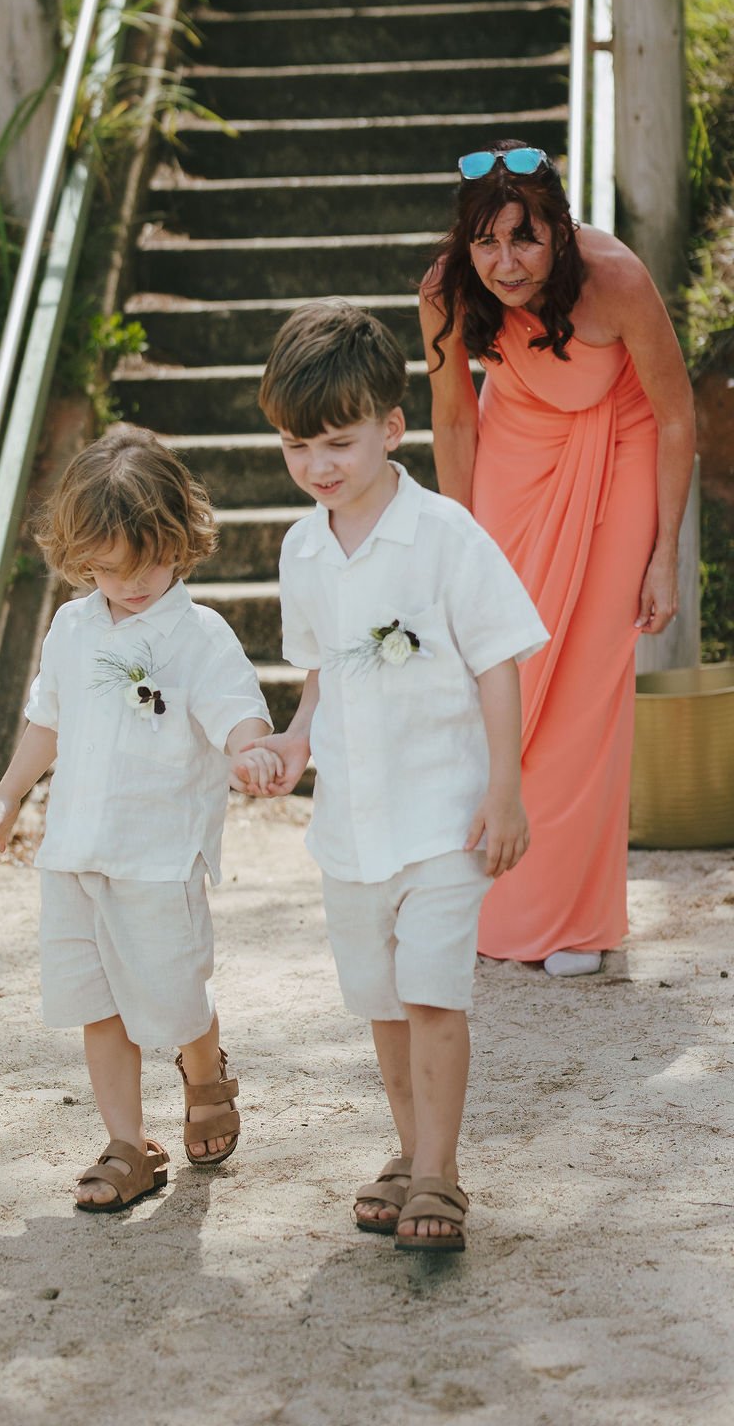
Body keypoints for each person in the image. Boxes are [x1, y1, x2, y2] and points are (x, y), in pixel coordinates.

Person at [239, 301, 548, 1251]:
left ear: (390, 428)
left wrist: (506, 789)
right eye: (297, 447)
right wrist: (295, 741)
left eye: (337, 442)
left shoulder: (446, 535)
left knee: (431, 997)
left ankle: (439, 1175)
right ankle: (413, 1151)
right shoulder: (301, 546)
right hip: (351, 828)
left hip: (443, 819)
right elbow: (322, 671)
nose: (318, 467)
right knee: (379, 1004)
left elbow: (499, 660)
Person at [0, 424, 279, 1213]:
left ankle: (203, 1064)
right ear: (81, 560)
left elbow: (238, 712)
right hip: (75, 853)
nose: (130, 584)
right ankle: (125, 1142)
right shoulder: (72, 627)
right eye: (106, 571)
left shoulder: (198, 636)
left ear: (181, 539)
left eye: (145, 564)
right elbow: (47, 722)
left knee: (173, 995)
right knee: (96, 1001)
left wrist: (252, 751)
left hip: (159, 857)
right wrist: (8, 800)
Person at [419, 142, 696, 977]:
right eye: (487, 242)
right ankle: (483, 890)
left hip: (622, 446)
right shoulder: (443, 291)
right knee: (503, 664)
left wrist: (663, 557)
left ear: (562, 233)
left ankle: (576, 922)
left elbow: (679, 416)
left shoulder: (615, 279)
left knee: (583, 687)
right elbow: (456, 421)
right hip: (515, 445)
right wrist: (455, 547)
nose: (505, 264)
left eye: (525, 239)